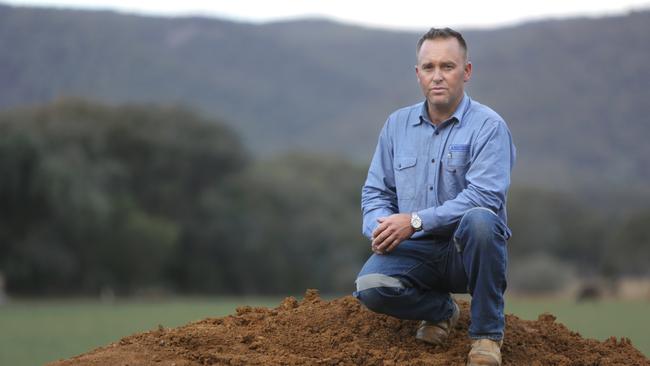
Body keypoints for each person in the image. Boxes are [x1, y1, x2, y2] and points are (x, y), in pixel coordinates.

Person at [354, 27, 516, 366]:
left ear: (466, 71)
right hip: (417, 252)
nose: (437, 76)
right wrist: (379, 227)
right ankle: (442, 310)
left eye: (448, 66)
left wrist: (414, 221)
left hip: (466, 251)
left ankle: (486, 335)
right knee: (370, 285)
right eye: (429, 68)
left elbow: (484, 196)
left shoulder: (489, 127)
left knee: (482, 222)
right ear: (418, 74)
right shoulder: (396, 125)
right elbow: (376, 192)